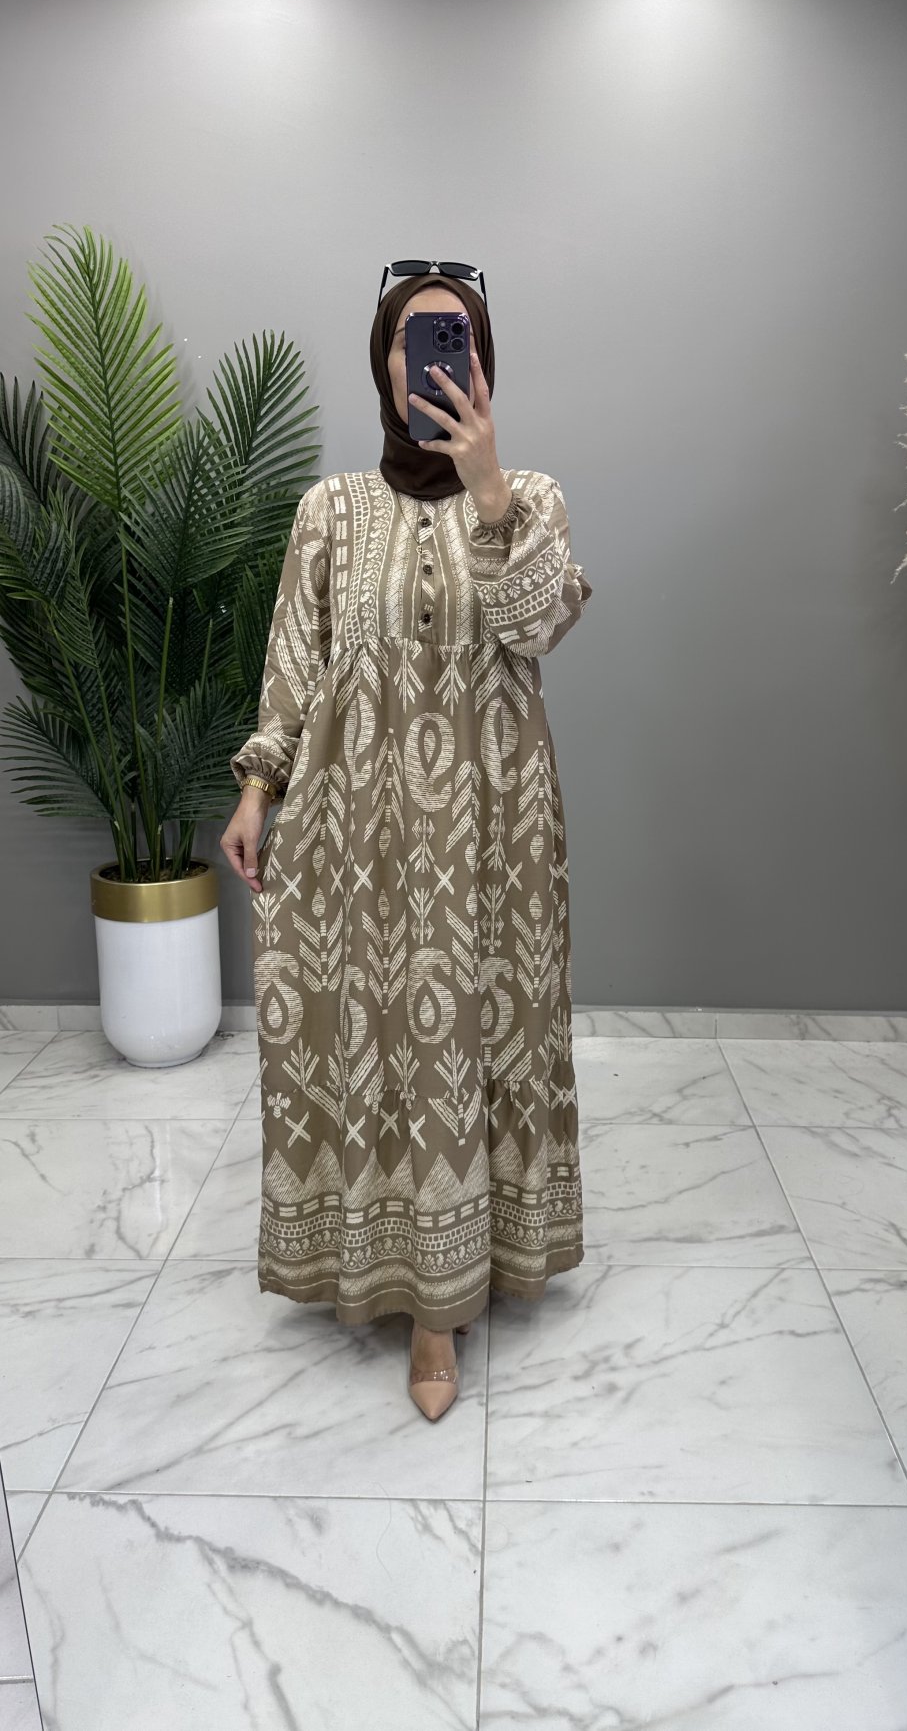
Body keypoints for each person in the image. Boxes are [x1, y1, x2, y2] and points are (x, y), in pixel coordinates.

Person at [220, 267, 593, 1420]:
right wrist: (257, 785)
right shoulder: (329, 509)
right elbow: (296, 656)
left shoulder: (531, 495)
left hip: (490, 830)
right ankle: (379, 1258)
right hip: (359, 826)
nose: (431, 358)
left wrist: (489, 490)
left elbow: (542, 625)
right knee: (369, 1031)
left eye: (455, 337)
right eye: (411, 340)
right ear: (383, 361)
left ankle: (444, 1305)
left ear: (483, 360)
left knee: (477, 1030)